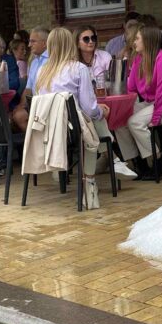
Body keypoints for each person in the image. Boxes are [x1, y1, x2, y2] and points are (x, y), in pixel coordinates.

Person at [33, 27, 111, 209]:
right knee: (92, 134)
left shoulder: (41, 71)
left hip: (48, 131)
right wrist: (101, 111)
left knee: (91, 124)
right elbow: (89, 109)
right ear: (70, 44)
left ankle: (113, 158)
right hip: (71, 130)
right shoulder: (78, 68)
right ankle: (91, 181)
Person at [114, 24, 162, 180]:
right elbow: (131, 88)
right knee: (119, 119)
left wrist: (156, 118)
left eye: (137, 39)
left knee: (135, 122)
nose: (133, 42)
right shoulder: (139, 59)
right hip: (155, 103)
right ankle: (138, 163)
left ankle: (157, 159)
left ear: (147, 41)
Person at [12, 26, 49, 131]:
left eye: (33, 42)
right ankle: (36, 143)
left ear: (45, 43)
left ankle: (41, 143)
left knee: (19, 116)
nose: (29, 45)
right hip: (34, 103)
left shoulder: (53, 60)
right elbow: (28, 88)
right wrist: (21, 105)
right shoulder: (34, 62)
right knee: (15, 114)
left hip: (47, 104)